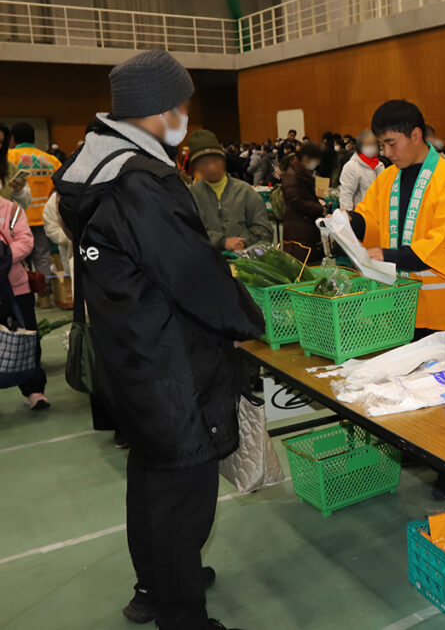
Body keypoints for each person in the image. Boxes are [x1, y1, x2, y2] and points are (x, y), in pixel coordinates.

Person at [53, 49, 264, 630]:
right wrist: (250, 321)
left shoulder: (91, 167)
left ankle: (156, 585)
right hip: (171, 361)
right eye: (182, 106)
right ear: (158, 109)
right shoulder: (140, 182)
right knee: (183, 490)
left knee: (150, 477)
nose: (185, 117)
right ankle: (181, 614)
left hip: (129, 353)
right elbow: (191, 274)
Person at [349, 99, 445, 341]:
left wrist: (389, 256)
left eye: (392, 144)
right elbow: (372, 221)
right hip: (400, 309)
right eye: (382, 145)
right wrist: (349, 221)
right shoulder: (386, 179)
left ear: (416, 135)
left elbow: (444, 243)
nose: (387, 153)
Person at [0, 192, 49, 410]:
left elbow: (26, 241)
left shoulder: (11, 209)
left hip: (16, 287)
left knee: (28, 337)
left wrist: (4, 255)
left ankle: (34, 390)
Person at [187, 130, 273, 253]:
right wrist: (222, 242)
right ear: (196, 168)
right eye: (204, 163)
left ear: (224, 160)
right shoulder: (190, 195)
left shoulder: (245, 191)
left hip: (244, 261)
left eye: (215, 161)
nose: (212, 167)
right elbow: (187, 232)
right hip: (206, 261)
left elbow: (264, 230)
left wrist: (243, 242)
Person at [7, 122, 62, 308]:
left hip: (17, 218)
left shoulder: (9, 157)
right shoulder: (51, 160)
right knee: (43, 256)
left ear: (12, 139)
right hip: (43, 217)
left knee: (18, 259)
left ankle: (24, 295)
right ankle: (44, 296)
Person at [281, 142, 326, 263]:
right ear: (306, 158)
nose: (316, 163)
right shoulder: (293, 176)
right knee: (302, 262)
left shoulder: (300, 173)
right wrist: (319, 208)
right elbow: (296, 201)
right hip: (299, 227)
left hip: (304, 225)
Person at [338, 131, 384, 210]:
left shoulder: (380, 165)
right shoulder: (351, 166)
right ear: (360, 146)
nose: (371, 147)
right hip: (360, 213)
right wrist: (348, 214)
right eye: (367, 144)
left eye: (373, 144)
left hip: (378, 211)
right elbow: (346, 194)